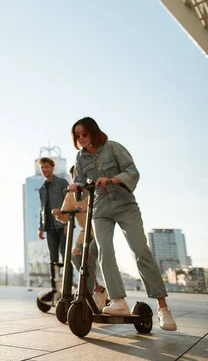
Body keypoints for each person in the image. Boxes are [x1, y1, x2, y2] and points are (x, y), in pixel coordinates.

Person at [68, 117, 176, 330]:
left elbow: (132, 172)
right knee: (104, 251)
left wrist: (112, 179)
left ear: (93, 132)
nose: (81, 139)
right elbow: (81, 185)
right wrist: (77, 188)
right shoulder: (80, 159)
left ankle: (163, 308)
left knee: (140, 251)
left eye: (84, 134)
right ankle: (118, 300)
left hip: (125, 205)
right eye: (77, 136)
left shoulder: (113, 148)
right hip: (100, 209)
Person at [53, 165, 107, 310]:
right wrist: (59, 213)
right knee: (75, 256)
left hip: (99, 231)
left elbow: (105, 208)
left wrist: (89, 208)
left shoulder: (94, 189)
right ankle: (96, 289)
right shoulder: (71, 195)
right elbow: (65, 217)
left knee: (87, 258)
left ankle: (86, 297)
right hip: (85, 233)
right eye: (74, 177)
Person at [37, 157, 69, 295]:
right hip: (49, 228)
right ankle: (55, 289)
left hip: (63, 225)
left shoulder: (62, 183)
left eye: (46, 167)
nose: (44, 170)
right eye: (42, 168)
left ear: (52, 167)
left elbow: (70, 202)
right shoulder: (42, 189)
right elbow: (41, 209)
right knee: (53, 259)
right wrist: (40, 228)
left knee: (66, 257)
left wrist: (68, 222)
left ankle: (67, 287)